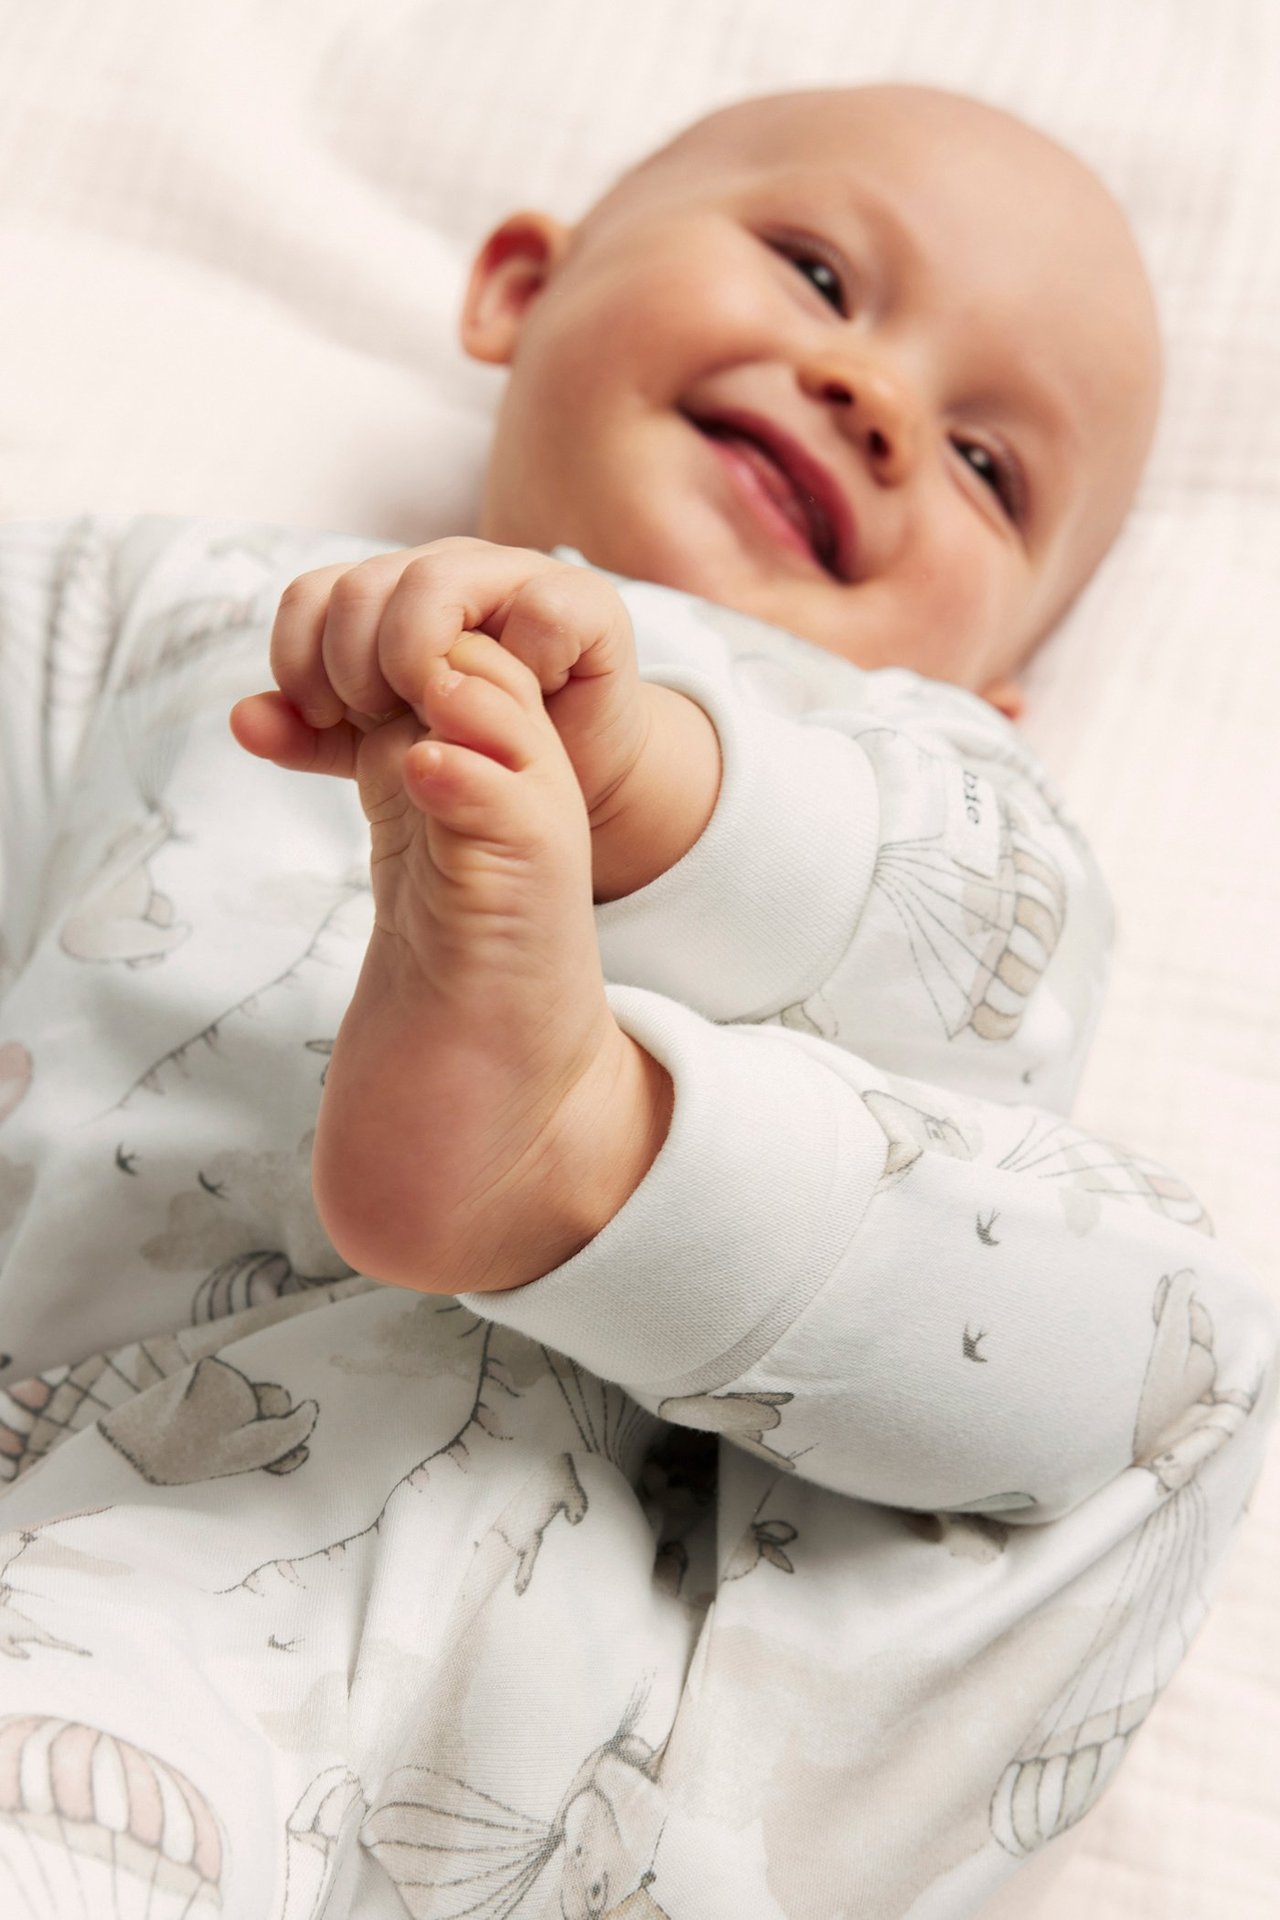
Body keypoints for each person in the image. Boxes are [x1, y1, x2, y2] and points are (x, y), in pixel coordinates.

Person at [0, 85, 1273, 1920]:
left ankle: (581, 1151)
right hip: (125, 1543)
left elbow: (975, 1011)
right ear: (524, 284)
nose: (880, 400)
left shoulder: (933, 780)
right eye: (821, 271)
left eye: (994, 470)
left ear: (1004, 682)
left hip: (660, 1702)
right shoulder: (173, 612)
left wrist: (656, 781)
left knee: (1181, 1333)